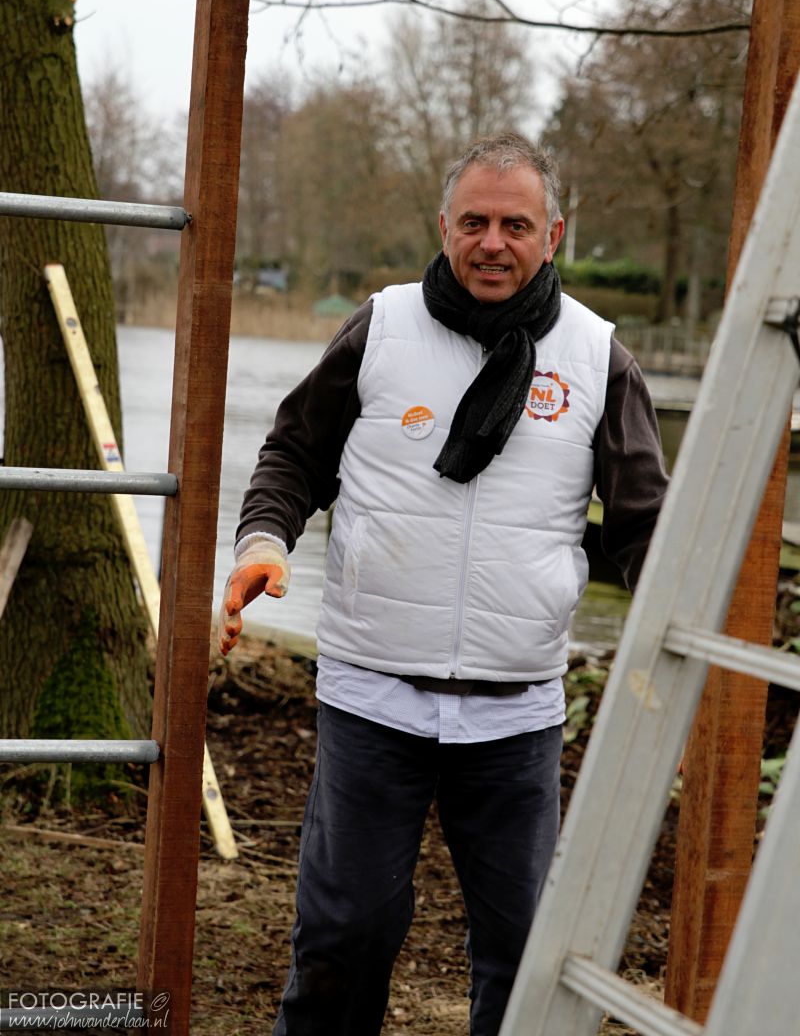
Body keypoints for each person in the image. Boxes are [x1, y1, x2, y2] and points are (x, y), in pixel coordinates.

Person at [219, 132, 669, 1036]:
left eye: (516, 225)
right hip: (371, 697)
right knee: (344, 939)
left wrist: (679, 669)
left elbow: (645, 530)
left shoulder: (597, 357)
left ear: (554, 235)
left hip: (516, 715)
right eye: (474, 222)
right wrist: (263, 543)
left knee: (527, 954)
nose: (492, 243)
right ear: (444, 226)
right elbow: (294, 455)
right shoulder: (381, 327)